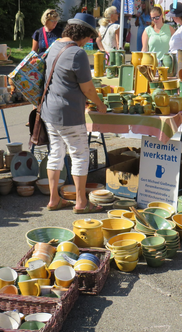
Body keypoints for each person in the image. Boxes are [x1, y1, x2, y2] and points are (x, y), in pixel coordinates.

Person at [41, 13, 107, 214]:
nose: (88, 41)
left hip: (49, 111)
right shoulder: (77, 53)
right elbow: (88, 88)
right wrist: (99, 104)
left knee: (56, 154)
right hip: (69, 113)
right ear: (84, 34)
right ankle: (81, 202)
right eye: (89, 37)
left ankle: (54, 199)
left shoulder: (54, 46)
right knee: (79, 156)